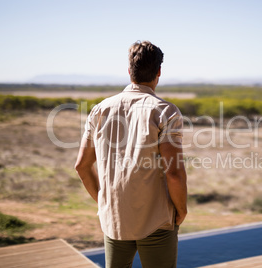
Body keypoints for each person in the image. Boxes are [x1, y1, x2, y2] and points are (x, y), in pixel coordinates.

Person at [75, 40, 187, 268]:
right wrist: (182, 210)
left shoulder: (100, 110)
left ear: (129, 71)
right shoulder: (165, 111)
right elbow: (174, 173)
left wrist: (104, 202)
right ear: (159, 72)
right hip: (157, 221)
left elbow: (81, 166)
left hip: (115, 221)